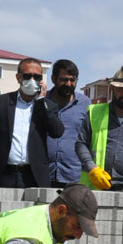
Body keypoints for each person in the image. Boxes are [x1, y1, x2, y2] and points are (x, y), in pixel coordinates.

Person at [0, 57, 64, 190]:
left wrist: (41, 102)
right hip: (4, 173)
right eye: (28, 76)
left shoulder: (47, 105)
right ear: (18, 78)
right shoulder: (1, 102)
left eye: (37, 77)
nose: (32, 80)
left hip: (34, 175)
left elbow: (57, 132)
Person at [76, 66, 123, 192]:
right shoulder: (94, 112)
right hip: (95, 185)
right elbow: (81, 143)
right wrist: (92, 168)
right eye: (121, 90)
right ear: (112, 89)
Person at [45, 59, 90, 188]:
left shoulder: (85, 104)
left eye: (72, 80)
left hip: (74, 176)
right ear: (53, 79)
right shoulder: (42, 102)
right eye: (64, 80)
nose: (68, 84)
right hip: (44, 174)